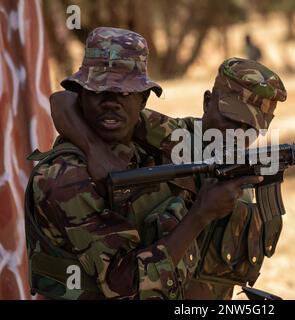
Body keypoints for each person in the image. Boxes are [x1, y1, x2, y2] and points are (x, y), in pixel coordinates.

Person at [25, 27, 262, 300]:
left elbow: (211, 137)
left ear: (143, 99)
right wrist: (201, 215)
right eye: (98, 91)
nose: (111, 103)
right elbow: (123, 286)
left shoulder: (147, 135)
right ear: (82, 95)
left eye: (124, 93)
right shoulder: (65, 178)